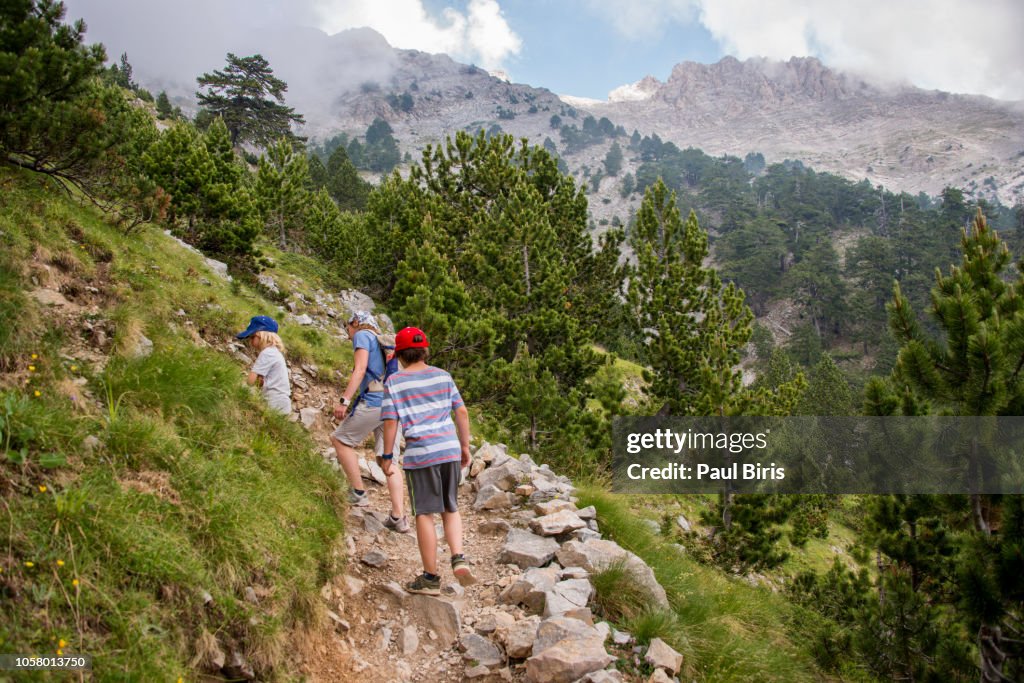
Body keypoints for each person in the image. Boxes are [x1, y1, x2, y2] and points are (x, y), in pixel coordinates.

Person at [380, 326, 476, 594]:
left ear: (399, 354)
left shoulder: (394, 382)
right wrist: (464, 446)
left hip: (421, 453)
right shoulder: (443, 376)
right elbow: (462, 412)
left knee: (424, 512)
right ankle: (458, 556)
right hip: (448, 450)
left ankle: (431, 578)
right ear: (425, 351)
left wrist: (388, 455)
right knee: (450, 507)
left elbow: (390, 422)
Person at [331, 311, 409, 533]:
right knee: (388, 461)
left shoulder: (363, 336)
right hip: (393, 405)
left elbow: (360, 369)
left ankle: (358, 493)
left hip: (374, 402)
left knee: (340, 440)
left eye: (348, 327)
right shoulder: (384, 344)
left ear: (355, 322)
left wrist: (344, 401)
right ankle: (398, 517)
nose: (348, 334)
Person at [236, 315, 292, 415]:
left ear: (260, 335)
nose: (250, 342)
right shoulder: (275, 352)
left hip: (274, 402)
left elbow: (250, 381)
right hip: (281, 404)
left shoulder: (267, 353)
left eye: (252, 337)